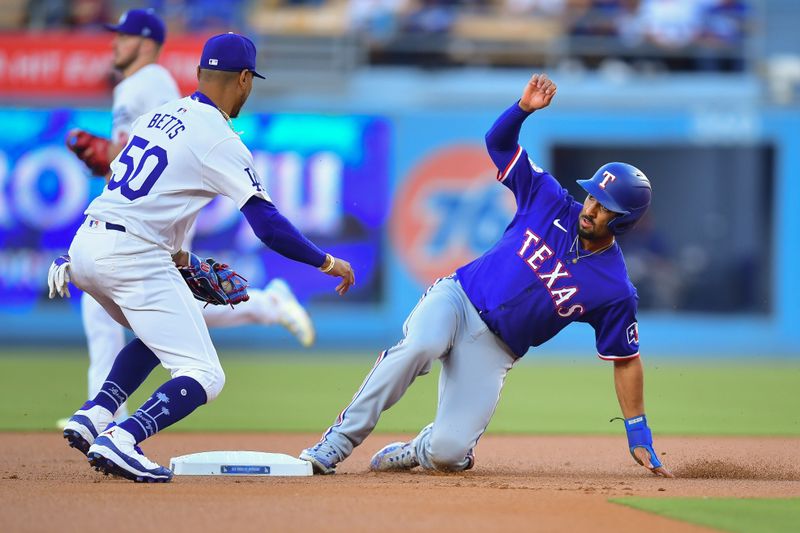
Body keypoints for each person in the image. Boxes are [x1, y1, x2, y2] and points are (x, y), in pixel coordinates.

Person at [300, 73, 673, 478]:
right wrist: (522, 109)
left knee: (448, 454)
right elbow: (498, 144)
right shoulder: (547, 198)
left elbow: (625, 359)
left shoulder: (614, 288)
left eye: (606, 207)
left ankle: (422, 447)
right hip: (457, 300)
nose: (591, 208)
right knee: (419, 346)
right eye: (592, 196)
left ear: (625, 221)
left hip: (496, 348)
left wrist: (638, 431)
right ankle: (335, 444)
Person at [53, 32, 355, 483]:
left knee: (160, 336)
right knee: (205, 374)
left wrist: (178, 257)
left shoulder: (159, 116)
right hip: (132, 256)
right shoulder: (219, 137)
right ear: (246, 79)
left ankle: (96, 412)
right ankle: (123, 438)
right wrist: (328, 262)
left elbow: (125, 193)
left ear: (198, 74)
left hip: (85, 248)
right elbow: (268, 225)